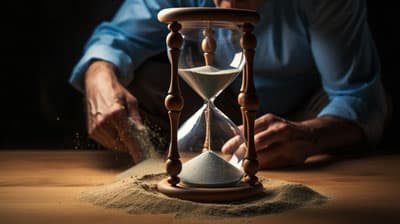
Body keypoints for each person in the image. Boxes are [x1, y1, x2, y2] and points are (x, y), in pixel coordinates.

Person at [70, 0, 389, 169]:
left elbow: (357, 94)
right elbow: (116, 38)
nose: (225, 5)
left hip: (305, 109)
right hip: (222, 106)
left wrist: (311, 135)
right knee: (141, 79)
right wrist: (98, 73)